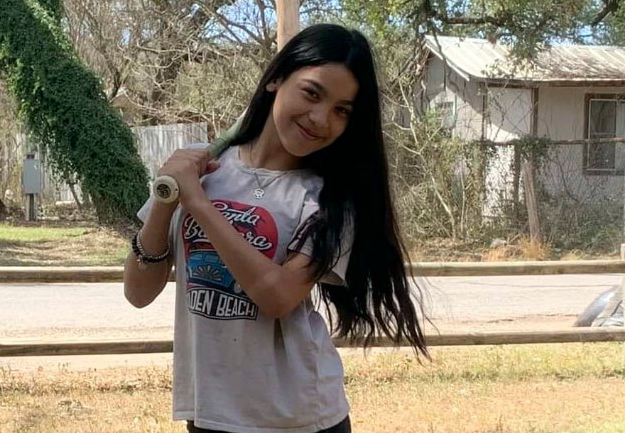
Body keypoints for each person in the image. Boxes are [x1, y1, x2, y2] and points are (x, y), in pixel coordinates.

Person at [123, 23, 429, 433]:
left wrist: (198, 202)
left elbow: (278, 297)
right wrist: (167, 202)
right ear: (276, 80)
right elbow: (138, 292)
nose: (320, 118)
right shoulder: (203, 168)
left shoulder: (329, 200)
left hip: (298, 419)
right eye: (312, 93)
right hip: (208, 411)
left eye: (342, 110)